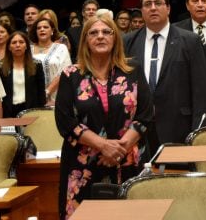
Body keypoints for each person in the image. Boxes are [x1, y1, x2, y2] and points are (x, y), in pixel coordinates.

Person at [55, 13, 153, 219]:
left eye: (106, 32)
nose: (100, 36)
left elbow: (145, 114)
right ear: (85, 40)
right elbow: (65, 121)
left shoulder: (132, 70)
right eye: (94, 33)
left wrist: (118, 149)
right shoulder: (70, 75)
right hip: (83, 166)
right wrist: (103, 145)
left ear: (115, 38)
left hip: (127, 162)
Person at [123, 0, 206, 147]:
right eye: (147, 4)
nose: (153, 8)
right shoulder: (128, 42)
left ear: (168, 8)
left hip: (179, 129)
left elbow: (201, 91)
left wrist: (197, 133)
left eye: (158, 3)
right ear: (142, 11)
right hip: (135, 132)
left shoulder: (189, 41)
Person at [0, 30, 46, 118]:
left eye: (21, 42)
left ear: (26, 46)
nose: (18, 45)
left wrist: (41, 113)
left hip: (31, 111)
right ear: (9, 47)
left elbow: (41, 93)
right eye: (14, 43)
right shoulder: (0, 67)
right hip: (8, 111)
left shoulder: (36, 65)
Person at [29, 13, 71, 103]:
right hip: (33, 98)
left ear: (52, 31)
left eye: (45, 27)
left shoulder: (61, 48)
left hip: (57, 97)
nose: (42, 29)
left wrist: (47, 92)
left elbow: (65, 71)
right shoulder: (28, 49)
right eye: (39, 28)